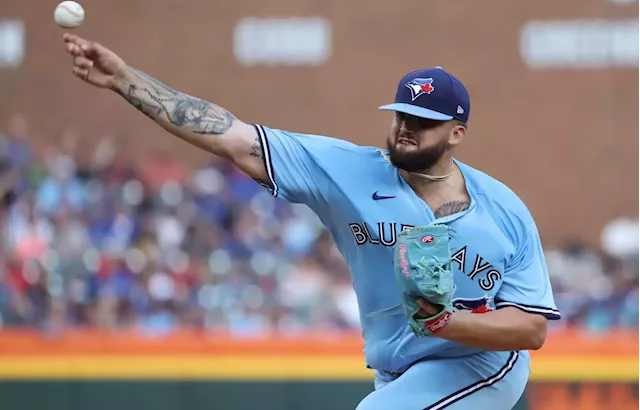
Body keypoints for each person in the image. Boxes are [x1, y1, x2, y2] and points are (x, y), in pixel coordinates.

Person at [62, 33, 561, 410]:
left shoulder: (504, 211)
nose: (406, 128)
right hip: (396, 369)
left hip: (480, 366)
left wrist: (448, 323)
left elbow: (532, 330)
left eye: (423, 121)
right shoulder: (349, 172)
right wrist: (125, 80)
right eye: (401, 114)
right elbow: (233, 138)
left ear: (457, 133)